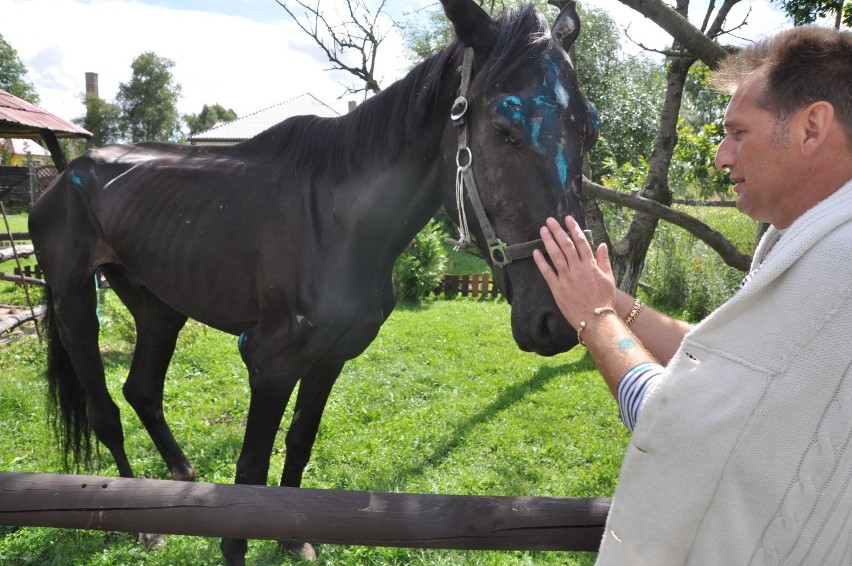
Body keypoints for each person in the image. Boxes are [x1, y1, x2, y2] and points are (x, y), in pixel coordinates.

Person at [533, 25, 852, 564]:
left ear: (813, 126)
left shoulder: (837, 270)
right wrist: (622, 304)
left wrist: (595, 316)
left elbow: (674, 422)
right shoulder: (812, 246)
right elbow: (718, 366)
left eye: (738, 133)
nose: (722, 158)